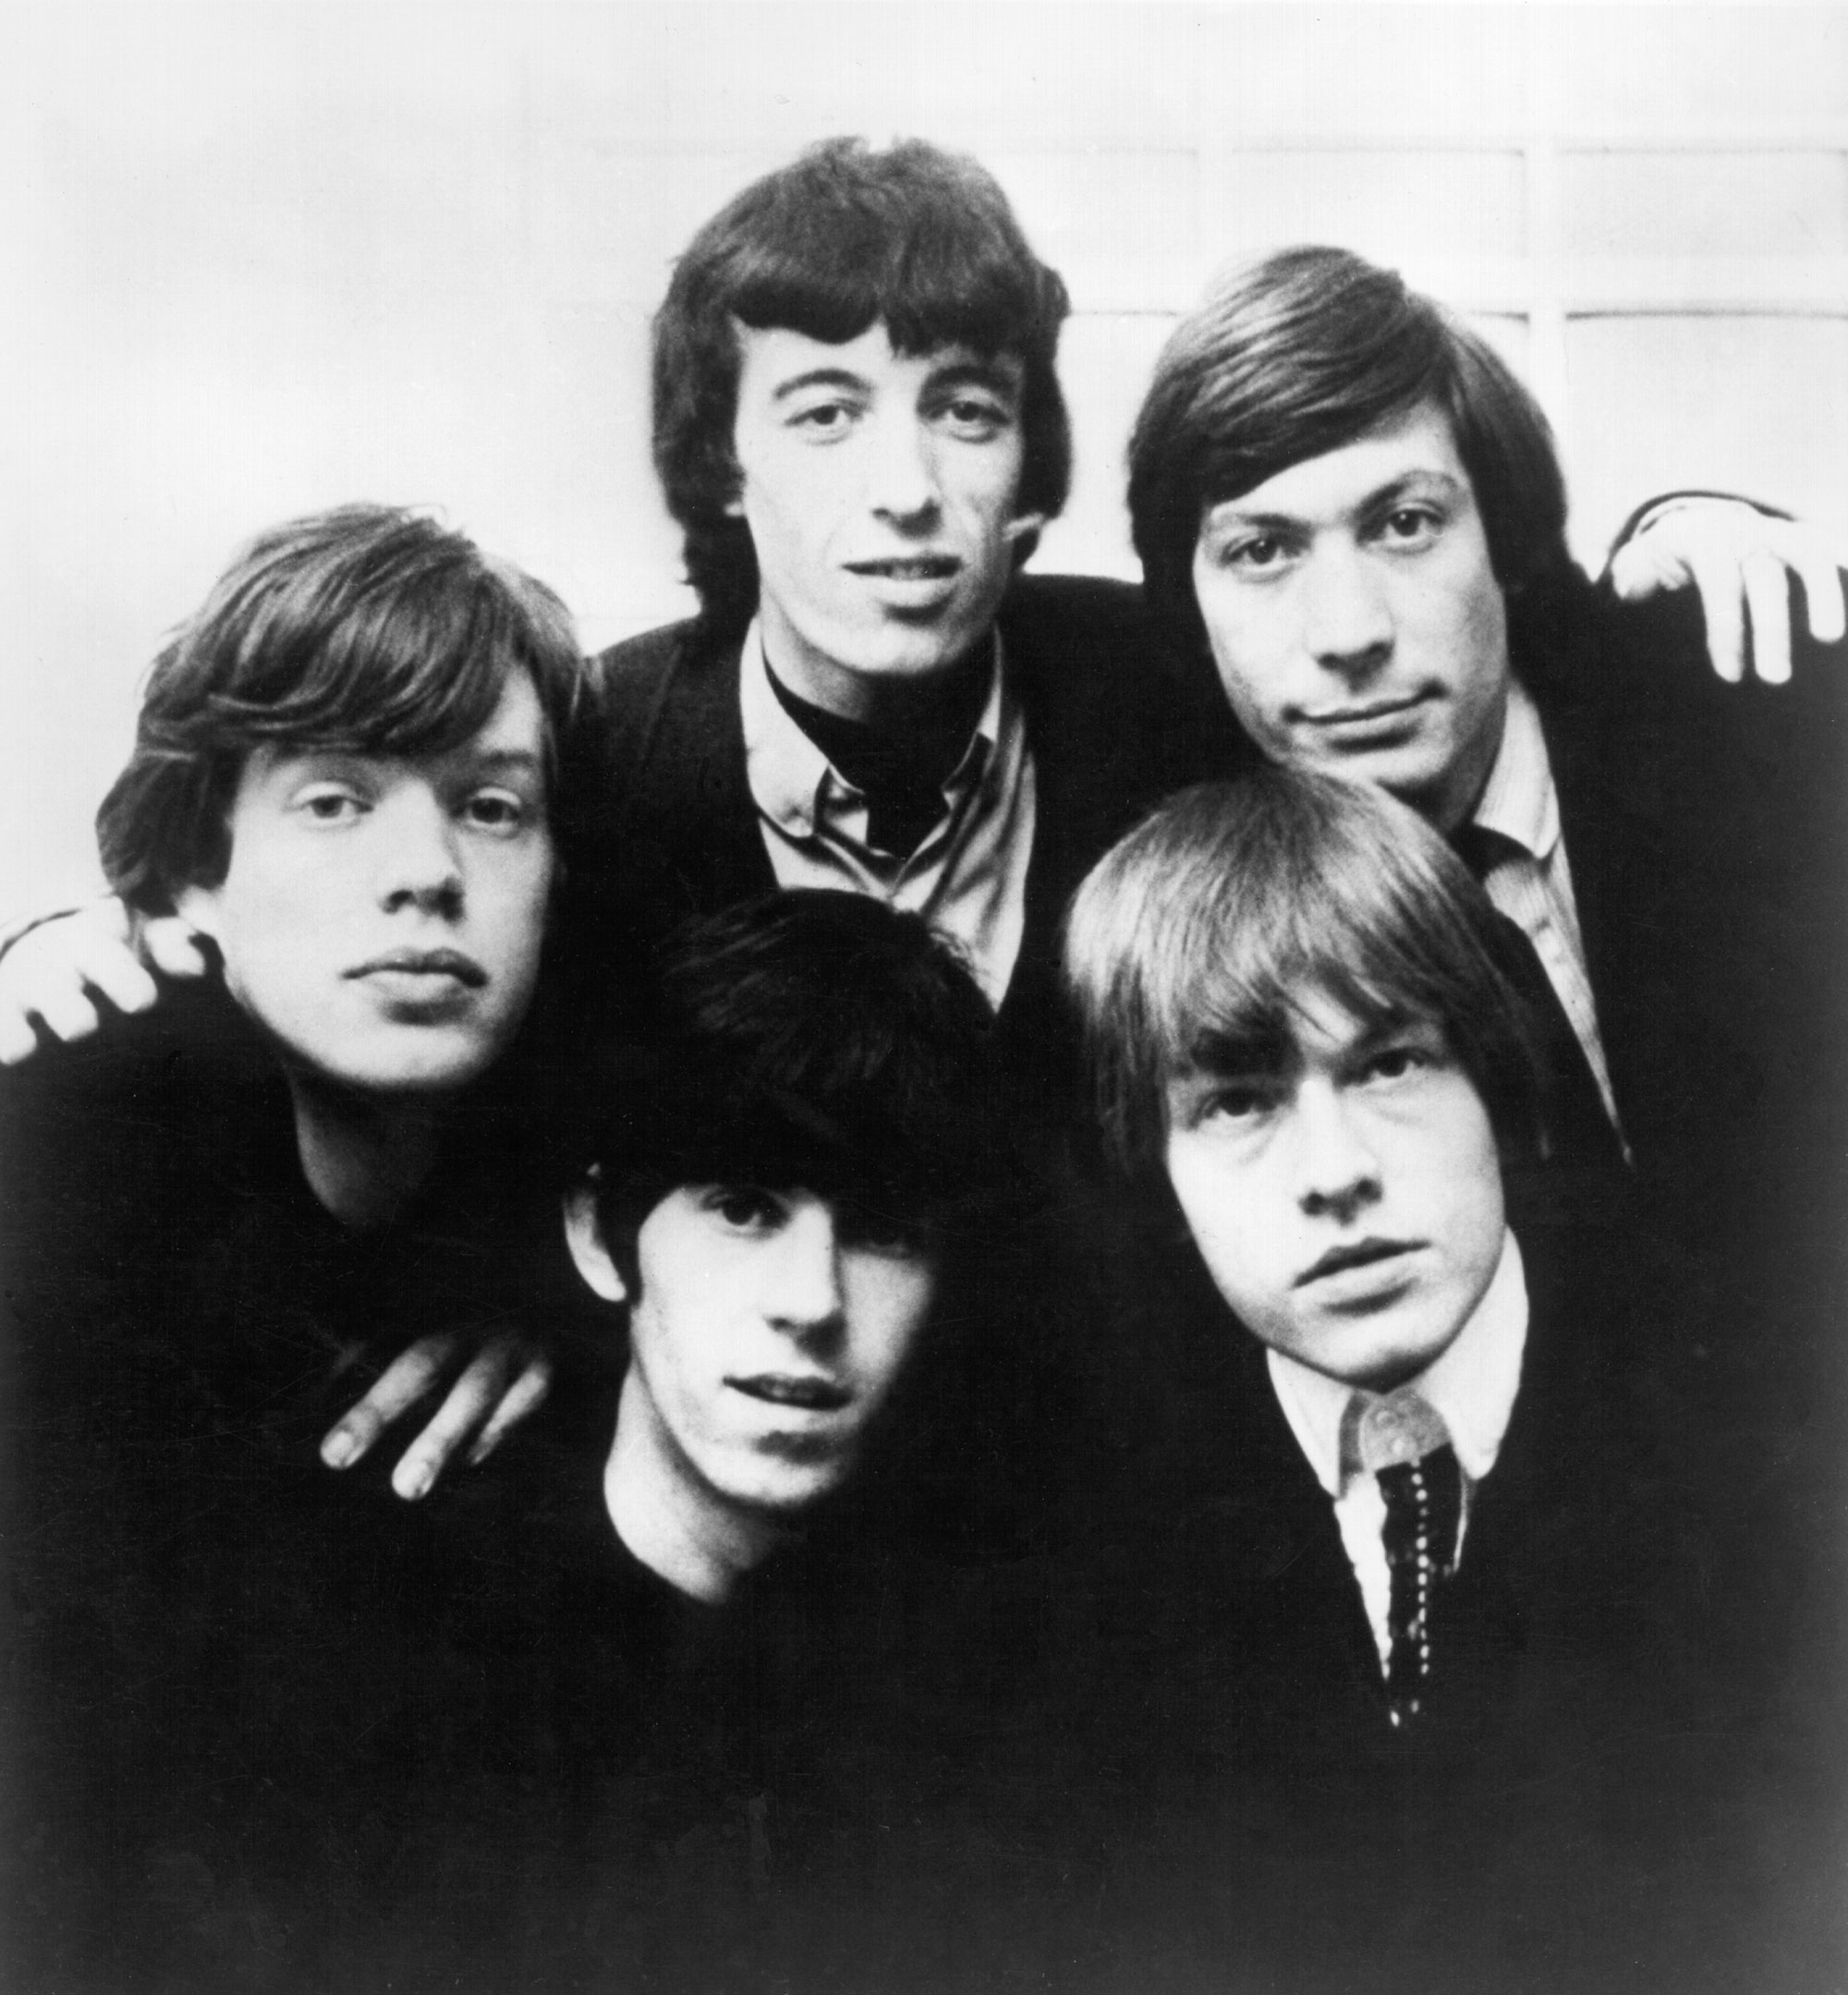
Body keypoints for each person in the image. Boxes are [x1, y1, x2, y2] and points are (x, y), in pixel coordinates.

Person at [1057, 769, 1793, 1991]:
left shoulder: (1761, 1426)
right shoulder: (1096, 1544)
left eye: (1390, 1064)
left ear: (1494, 1077)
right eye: (1237, 1100)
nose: (1334, 1170)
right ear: (1157, 1164)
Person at [0, 505, 594, 1992]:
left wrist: (568, 1315)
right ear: (186, 881)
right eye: (335, 800)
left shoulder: (567, 1198)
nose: (427, 872)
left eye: (493, 804)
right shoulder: (64, 1174)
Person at [382, 892, 1064, 1990]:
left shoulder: (1000, 1704)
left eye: (881, 1230)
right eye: (743, 1208)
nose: (812, 1301)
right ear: (598, 1238)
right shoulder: (414, 1673)